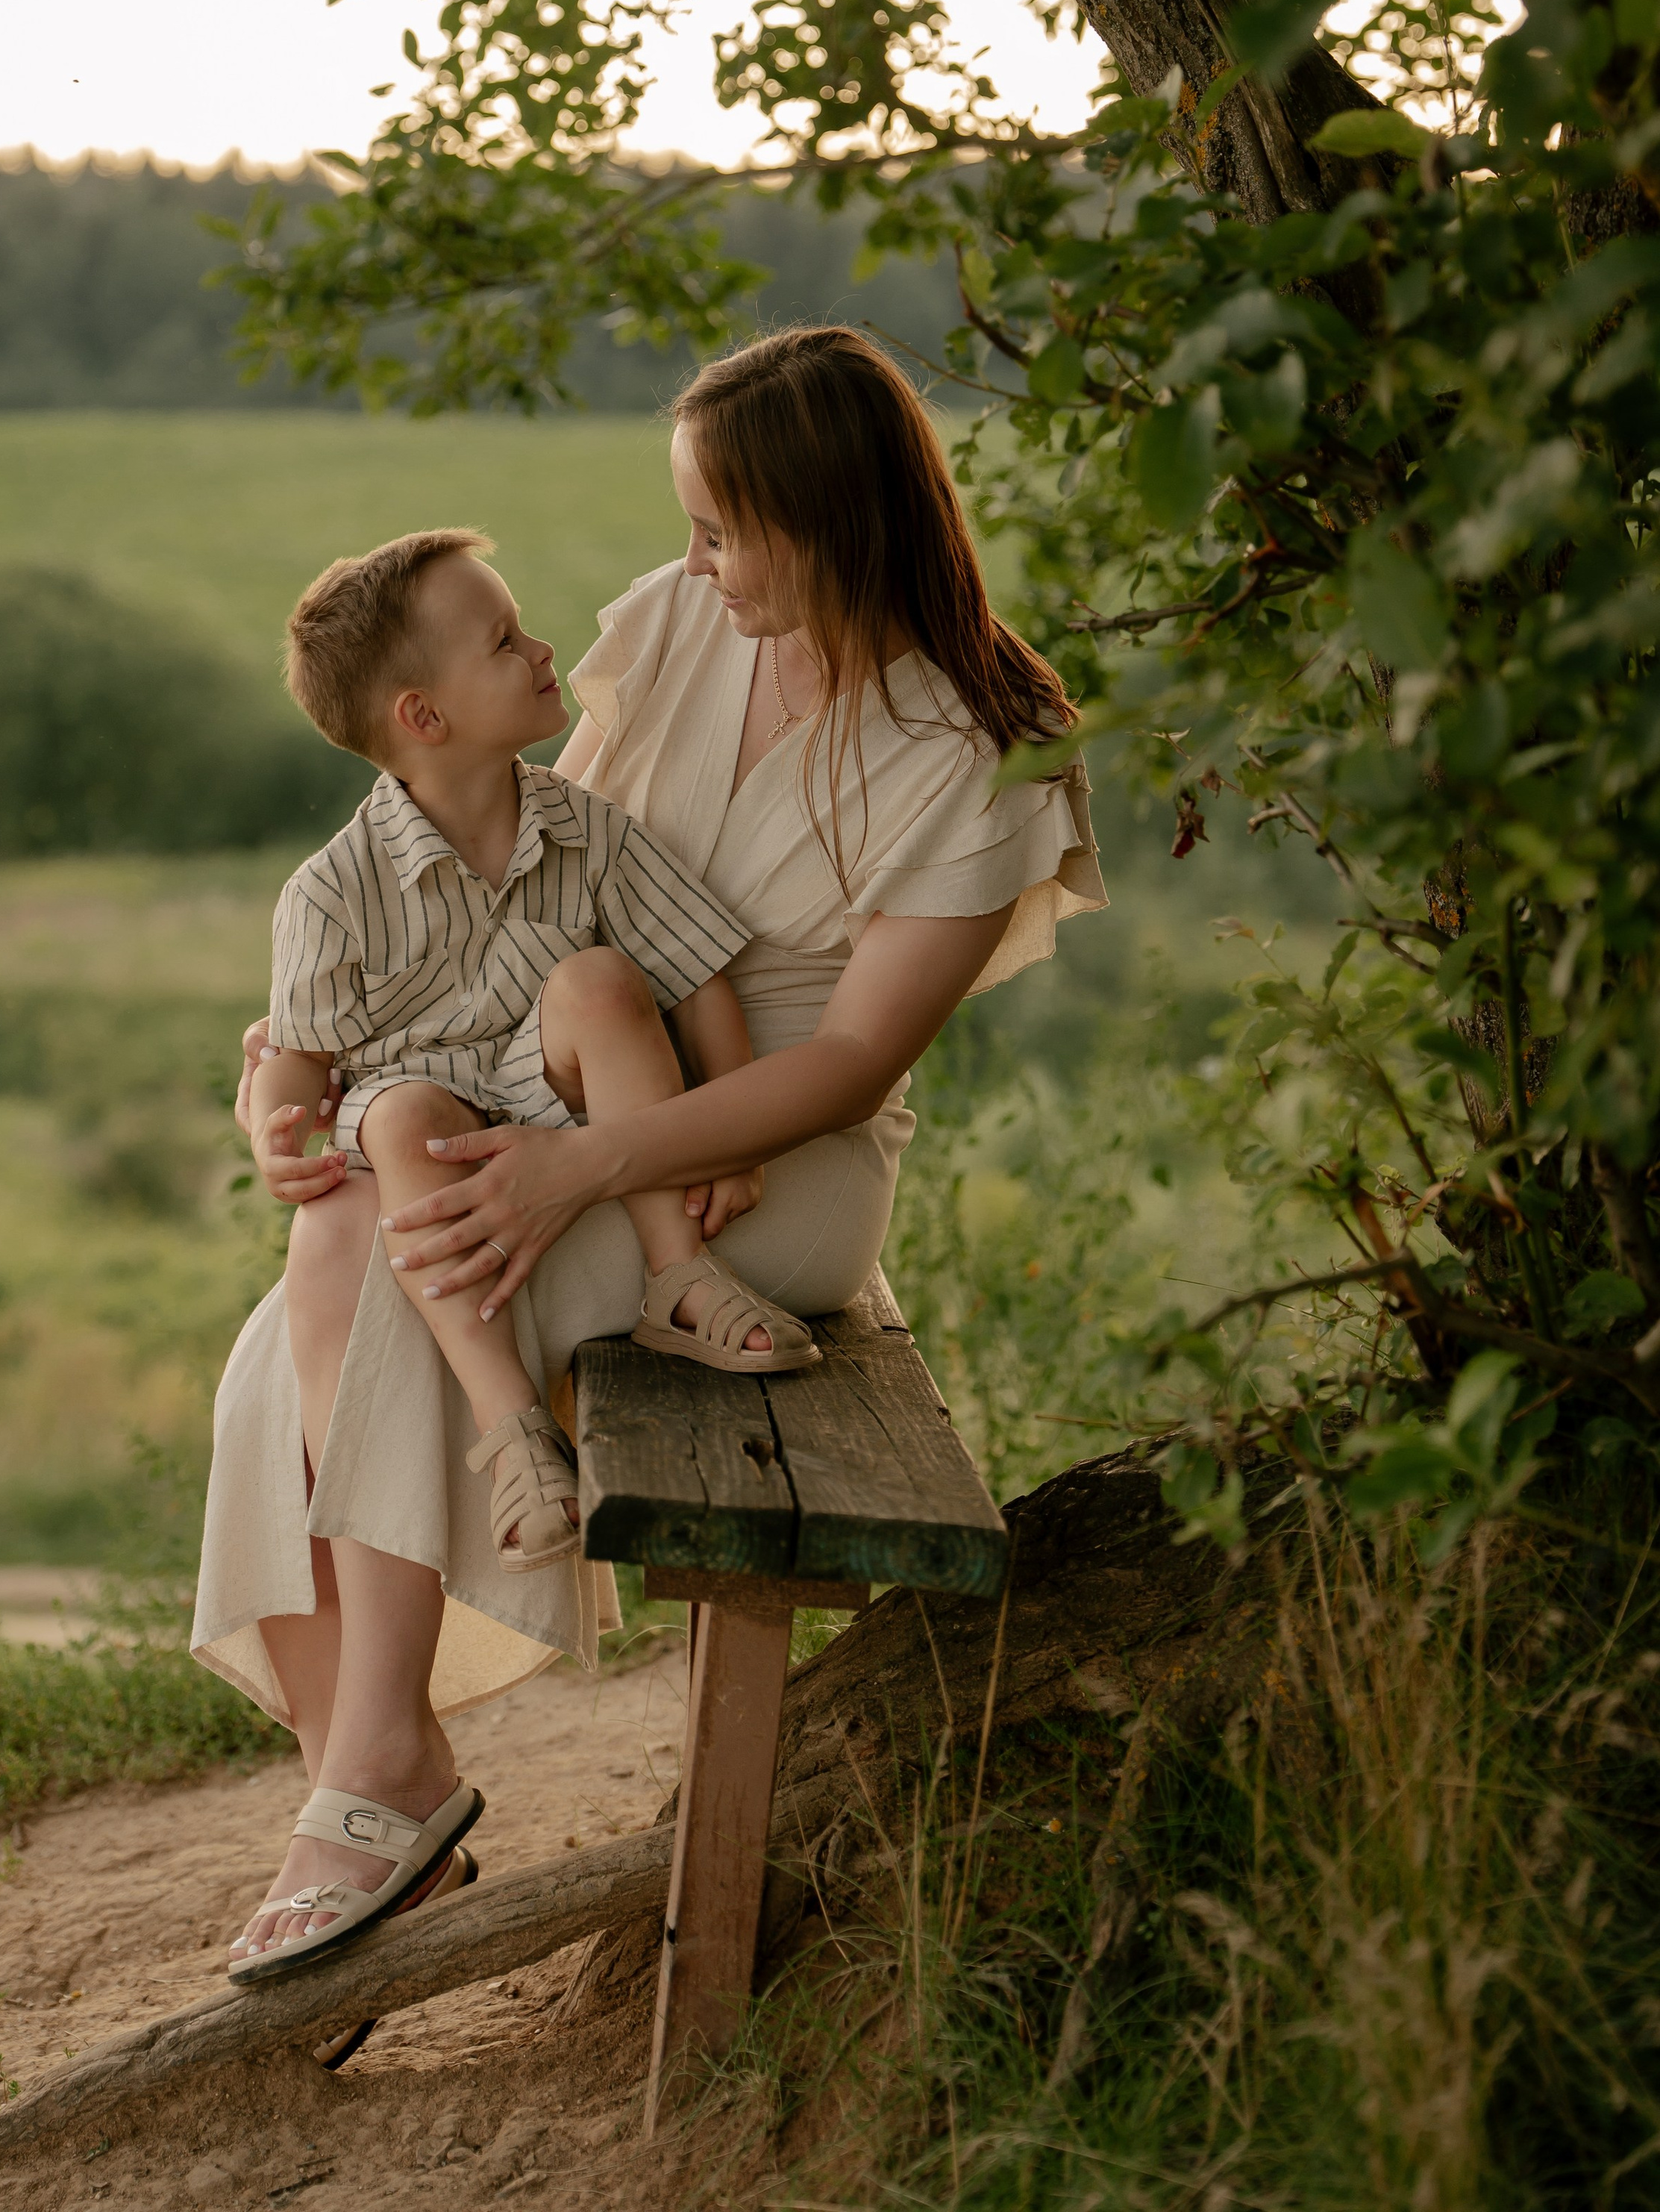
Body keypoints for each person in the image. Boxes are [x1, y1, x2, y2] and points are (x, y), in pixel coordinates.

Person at [195, 326, 1107, 1982]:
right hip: (572, 1075)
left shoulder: (978, 748)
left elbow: (845, 1063)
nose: (689, 563)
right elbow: (532, 880)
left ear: (825, 518)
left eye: (720, 529)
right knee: (320, 1261)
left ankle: (378, 1790)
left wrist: (576, 1172)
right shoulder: (687, 624)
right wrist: (315, 1057)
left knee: (394, 1273)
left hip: (772, 1163)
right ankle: (372, 1783)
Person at [229, 525, 829, 1982]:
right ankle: (509, 1433)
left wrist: (724, 1135)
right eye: (504, 641)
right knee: (400, 1123)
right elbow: (296, 1066)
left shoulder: (585, 831)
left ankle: (678, 1270)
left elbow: (696, 985)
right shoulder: (330, 891)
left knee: (600, 975)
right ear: (420, 721)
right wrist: (269, 1124)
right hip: (430, 1137)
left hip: (572, 1125)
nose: (543, 649)